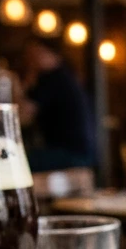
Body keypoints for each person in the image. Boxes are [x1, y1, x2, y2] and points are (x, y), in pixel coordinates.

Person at [20, 37, 97, 171]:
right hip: (85, 152)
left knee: (16, 160)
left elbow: (23, 117)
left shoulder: (52, 78)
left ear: (46, 53)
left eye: (33, 54)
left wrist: (21, 83)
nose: (30, 59)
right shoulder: (66, 75)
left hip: (72, 154)